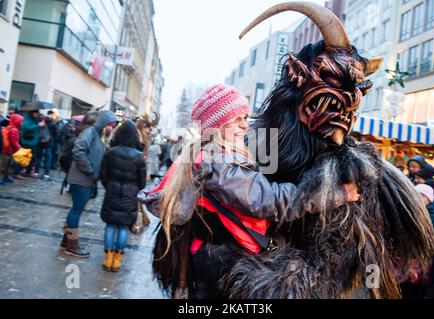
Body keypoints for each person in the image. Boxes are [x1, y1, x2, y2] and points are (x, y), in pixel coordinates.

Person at [139, 84, 360, 298]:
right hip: (222, 258)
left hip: (211, 254)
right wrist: (337, 194)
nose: (245, 126)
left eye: (246, 118)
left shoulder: (208, 156)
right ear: (218, 126)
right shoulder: (221, 163)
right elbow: (271, 201)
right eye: (238, 120)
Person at [61, 110, 117, 258]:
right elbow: (78, 151)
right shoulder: (90, 132)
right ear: (103, 122)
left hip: (86, 179)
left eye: (112, 125)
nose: (111, 128)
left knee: (76, 210)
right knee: (76, 211)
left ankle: (66, 241)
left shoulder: (98, 135)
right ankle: (72, 246)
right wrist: (89, 170)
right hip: (81, 179)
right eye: (109, 124)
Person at [100, 120, 147, 272]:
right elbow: (142, 183)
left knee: (110, 225)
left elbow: (103, 175)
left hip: (112, 193)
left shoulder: (110, 152)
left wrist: (109, 186)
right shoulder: (139, 156)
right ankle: (117, 261)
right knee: (123, 228)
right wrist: (133, 189)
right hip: (130, 196)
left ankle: (107, 259)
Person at [20, 109, 45, 177]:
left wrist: (41, 125)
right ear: (32, 113)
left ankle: (28, 171)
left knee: (32, 158)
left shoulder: (35, 119)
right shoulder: (27, 119)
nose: (37, 114)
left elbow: (37, 128)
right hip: (28, 141)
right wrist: (38, 125)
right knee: (26, 158)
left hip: (34, 141)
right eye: (36, 113)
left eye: (37, 113)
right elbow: (25, 127)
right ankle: (20, 171)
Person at [0, 114, 24, 185]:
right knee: (5, 165)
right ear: (17, 121)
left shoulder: (9, 127)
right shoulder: (14, 130)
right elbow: (14, 142)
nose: (21, 123)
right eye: (21, 121)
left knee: (6, 165)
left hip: (5, 149)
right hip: (8, 150)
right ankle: (3, 178)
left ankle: (6, 177)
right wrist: (20, 148)